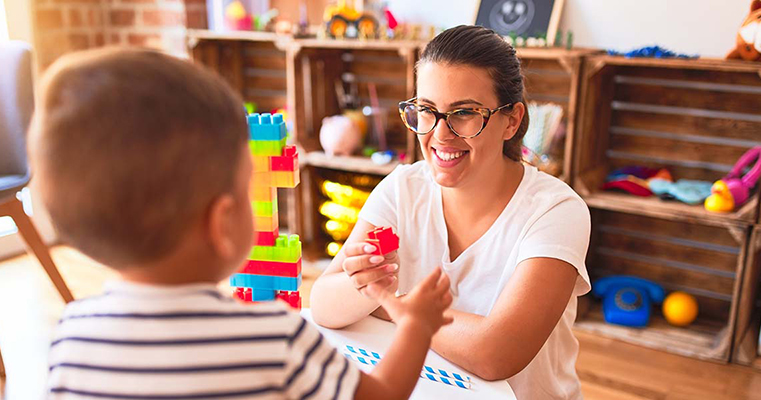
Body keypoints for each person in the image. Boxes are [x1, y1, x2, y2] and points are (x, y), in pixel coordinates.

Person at [31, 47, 453, 400]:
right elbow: (378, 396)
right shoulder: (273, 339)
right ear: (222, 221)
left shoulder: (72, 340)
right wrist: (416, 325)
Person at [310, 25, 591, 400]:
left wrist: (389, 302)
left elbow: (496, 352)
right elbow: (323, 303)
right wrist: (373, 291)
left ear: (511, 120)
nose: (440, 135)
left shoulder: (558, 211)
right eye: (426, 110)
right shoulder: (402, 189)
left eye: (464, 113)